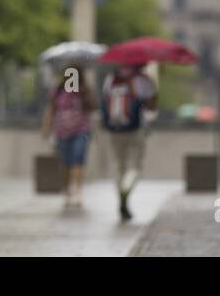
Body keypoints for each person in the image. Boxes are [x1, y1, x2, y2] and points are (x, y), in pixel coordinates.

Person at [101, 64, 157, 222]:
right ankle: (126, 191)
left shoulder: (111, 78)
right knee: (135, 166)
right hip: (135, 129)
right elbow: (152, 107)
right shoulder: (143, 80)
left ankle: (121, 199)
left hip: (114, 129)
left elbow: (104, 101)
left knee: (119, 165)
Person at [40, 65, 96, 209]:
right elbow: (51, 109)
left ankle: (78, 191)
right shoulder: (58, 91)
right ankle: (67, 190)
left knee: (78, 159)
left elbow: (93, 107)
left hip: (81, 130)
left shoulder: (83, 91)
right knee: (65, 162)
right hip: (62, 132)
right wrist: (46, 127)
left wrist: (84, 92)